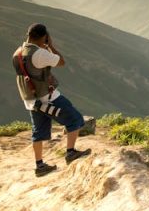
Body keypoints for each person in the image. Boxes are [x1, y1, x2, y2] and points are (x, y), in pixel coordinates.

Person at [12, 23, 90, 177]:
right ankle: (70, 152)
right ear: (43, 37)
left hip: (31, 101)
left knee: (38, 132)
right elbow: (60, 61)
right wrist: (50, 46)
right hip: (48, 98)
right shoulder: (39, 54)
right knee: (75, 119)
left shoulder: (18, 53)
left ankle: (40, 166)